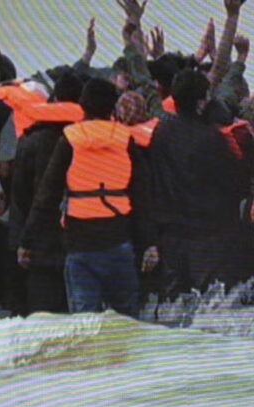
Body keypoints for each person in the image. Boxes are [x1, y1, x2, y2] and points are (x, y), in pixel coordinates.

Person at [21, 78, 157, 316]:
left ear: (83, 107)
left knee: (84, 323)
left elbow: (47, 194)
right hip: (119, 241)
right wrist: (149, 244)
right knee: (126, 321)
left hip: (80, 244)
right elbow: (142, 197)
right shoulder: (125, 139)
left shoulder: (71, 139)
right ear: (112, 108)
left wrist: (28, 241)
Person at [149, 69, 246, 300]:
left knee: (172, 301)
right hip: (208, 234)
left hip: (169, 233)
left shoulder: (161, 132)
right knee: (210, 301)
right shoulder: (213, 139)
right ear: (202, 102)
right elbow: (235, 183)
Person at [10, 73, 83, 314]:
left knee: (42, 321)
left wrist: (23, 242)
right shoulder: (90, 141)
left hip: (40, 246)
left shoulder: (31, 141)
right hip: (83, 246)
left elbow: (20, 198)